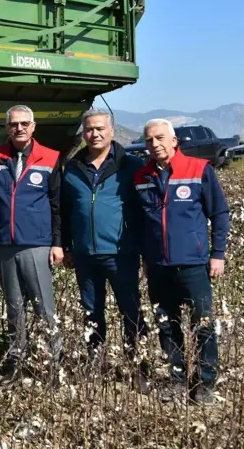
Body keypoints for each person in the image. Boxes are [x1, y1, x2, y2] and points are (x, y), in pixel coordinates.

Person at [135, 118, 230, 404]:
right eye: (149, 140)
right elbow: (140, 222)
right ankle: (176, 379)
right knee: (166, 323)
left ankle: (205, 382)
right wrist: (145, 257)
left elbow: (220, 214)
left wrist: (218, 255)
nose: (155, 144)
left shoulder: (199, 169)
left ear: (174, 140)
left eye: (160, 138)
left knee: (202, 324)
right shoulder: (141, 176)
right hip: (158, 266)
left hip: (193, 263)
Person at [61, 109, 148, 390]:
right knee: (91, 311)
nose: (94, 134)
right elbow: (64, 211)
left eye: (100, 129)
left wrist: (145, 248)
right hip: (85, 255)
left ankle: (138, 367)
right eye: (89, 130)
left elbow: (145, 210)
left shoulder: (131, 166)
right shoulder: (72, 169)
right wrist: (67, 246)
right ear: (83, 134)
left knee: (130, 310)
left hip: (121, 253)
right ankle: (94, 365)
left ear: (111, 131)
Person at [0, 105, 63, 386]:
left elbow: (57, 205)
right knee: (14, 307)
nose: (19, 128)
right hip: (5, 244)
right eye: (14, 124)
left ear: (33, 126)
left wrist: (57, 243)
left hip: (36, 244)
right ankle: (16, 363)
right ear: (7, 128)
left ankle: (52, 365)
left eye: (24, 123)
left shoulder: (50, 157)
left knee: (44, 307)